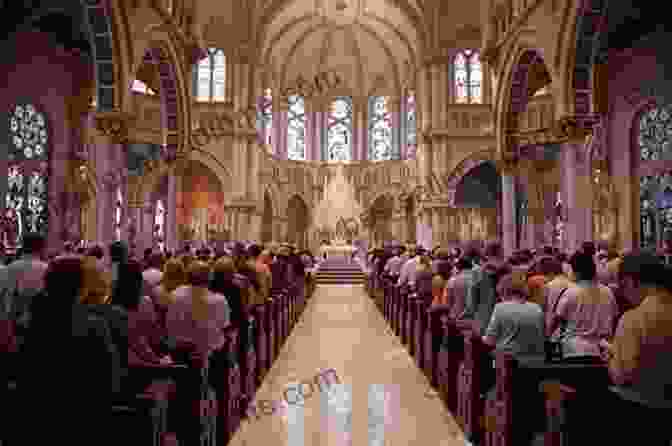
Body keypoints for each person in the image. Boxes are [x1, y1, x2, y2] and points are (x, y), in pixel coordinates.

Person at [20, 257, 120, 444]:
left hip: (38, 415)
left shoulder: (32, 323)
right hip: (83, 415)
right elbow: (110, 376)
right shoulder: (94, 326)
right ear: (80, 285)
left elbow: (23, 370)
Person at [600, 251, 672, 445]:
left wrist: (610, 357)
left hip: (641, 412)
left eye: (622, 287)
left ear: (631, 281)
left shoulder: (634, 319)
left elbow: (622, 375)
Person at [548, 251, 617, 362]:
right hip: (603, 352)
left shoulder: (570, 292)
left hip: (574, 351)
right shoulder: (608, 292)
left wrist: (548, 338)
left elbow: (557, 319)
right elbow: (614, 318)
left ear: (577, 272)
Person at [166, 261, 231, 355]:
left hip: (178, 350)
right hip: (209, 352)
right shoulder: (219, 300)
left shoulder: (175, 293)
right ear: (210, 278)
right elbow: (224, 326)